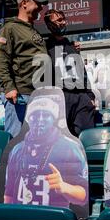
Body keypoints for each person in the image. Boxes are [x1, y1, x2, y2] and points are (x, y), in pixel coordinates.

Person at [4, 96, 88, 208]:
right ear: (29, 119)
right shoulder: (17, 149)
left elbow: (84, 196)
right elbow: (9, 194)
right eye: (35, 115)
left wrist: (64, 187)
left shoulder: (69, 148)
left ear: (54, 119)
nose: (40, 119)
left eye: (46, 115)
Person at [0, 0, 48, 137]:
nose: (41, 8)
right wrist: (9, 87)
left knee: (35, 141)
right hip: (20, 95)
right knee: (16, 141)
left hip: (37, 94)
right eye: (38, 3)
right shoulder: (10, 28)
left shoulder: (34, 31)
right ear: (24, 3)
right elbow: (0, 59)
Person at [44, 9, 95, 137]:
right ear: (49, 25)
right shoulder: (45, 47)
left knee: (85, 137)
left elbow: (81, 71)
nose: (63, 22)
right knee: (61, 139)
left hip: (81, 97)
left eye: (63, 19)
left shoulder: (71, 45)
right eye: (59, 20)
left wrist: (90, 96)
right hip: (60, 97)